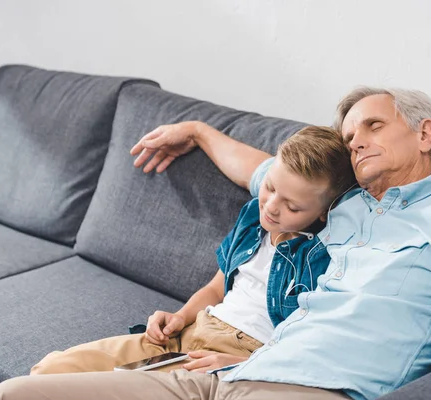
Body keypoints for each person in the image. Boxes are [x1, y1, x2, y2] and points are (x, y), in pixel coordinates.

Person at [0, 87, 431, 400]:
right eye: (349, 135)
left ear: (425, 134)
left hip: (303, 389)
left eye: (374, 125)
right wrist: (197, 130)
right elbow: (266, 174)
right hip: (226, 371)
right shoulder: (347, 204)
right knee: (14, 395)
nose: (356, 139)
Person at [29, 126, 355, 375]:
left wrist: (250, 363)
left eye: (292, 207)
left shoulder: (324, 256)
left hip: (239, 353)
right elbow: (216, 287)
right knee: (50, 370)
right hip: (193, 330)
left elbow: (313, 342)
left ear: (326, 212)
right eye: (270, 187)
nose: (270, 207)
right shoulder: (253, 217)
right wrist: (179, 317)